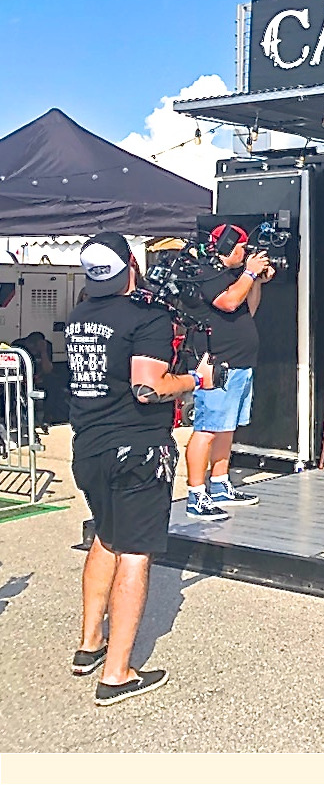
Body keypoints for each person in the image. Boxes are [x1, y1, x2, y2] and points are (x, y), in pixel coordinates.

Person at [65, 232, 214, 706]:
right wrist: (196, 380)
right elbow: (148, 388)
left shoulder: (80, 315)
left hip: (88, 446)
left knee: (106, 537)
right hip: (136, 450)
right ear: (131, 263)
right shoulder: (146, 316)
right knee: (134, 552)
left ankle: (90, 643)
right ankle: (117, 673)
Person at [183, 224, 274, 520]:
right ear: (228, 247)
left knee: (226, 427)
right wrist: (249, 273)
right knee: (207, 429)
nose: (245, 255)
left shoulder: (231, 277)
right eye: (243, 249)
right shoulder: (205, 272)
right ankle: (196, 493)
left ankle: (220, 482)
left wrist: (256, 281)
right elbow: (229, 301)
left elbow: (248, 309)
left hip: (239, 362)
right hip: (216, 364)